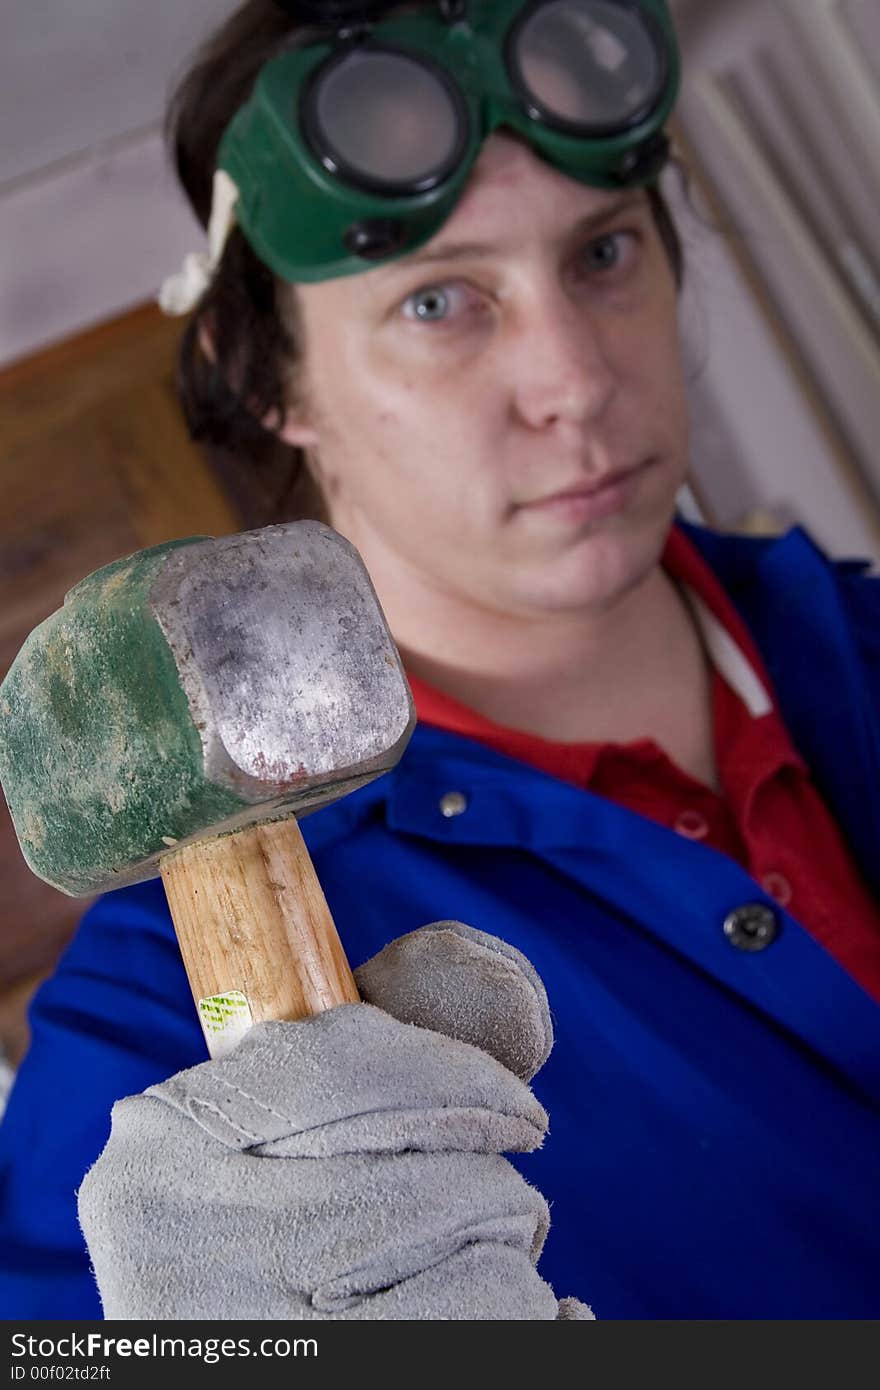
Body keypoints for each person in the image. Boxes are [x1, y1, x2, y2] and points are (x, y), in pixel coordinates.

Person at [2, 0, 880, 1320]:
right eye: (437, 298)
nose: (574, 378)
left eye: (602, 254)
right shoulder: (166, 1026)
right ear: (260, 379)